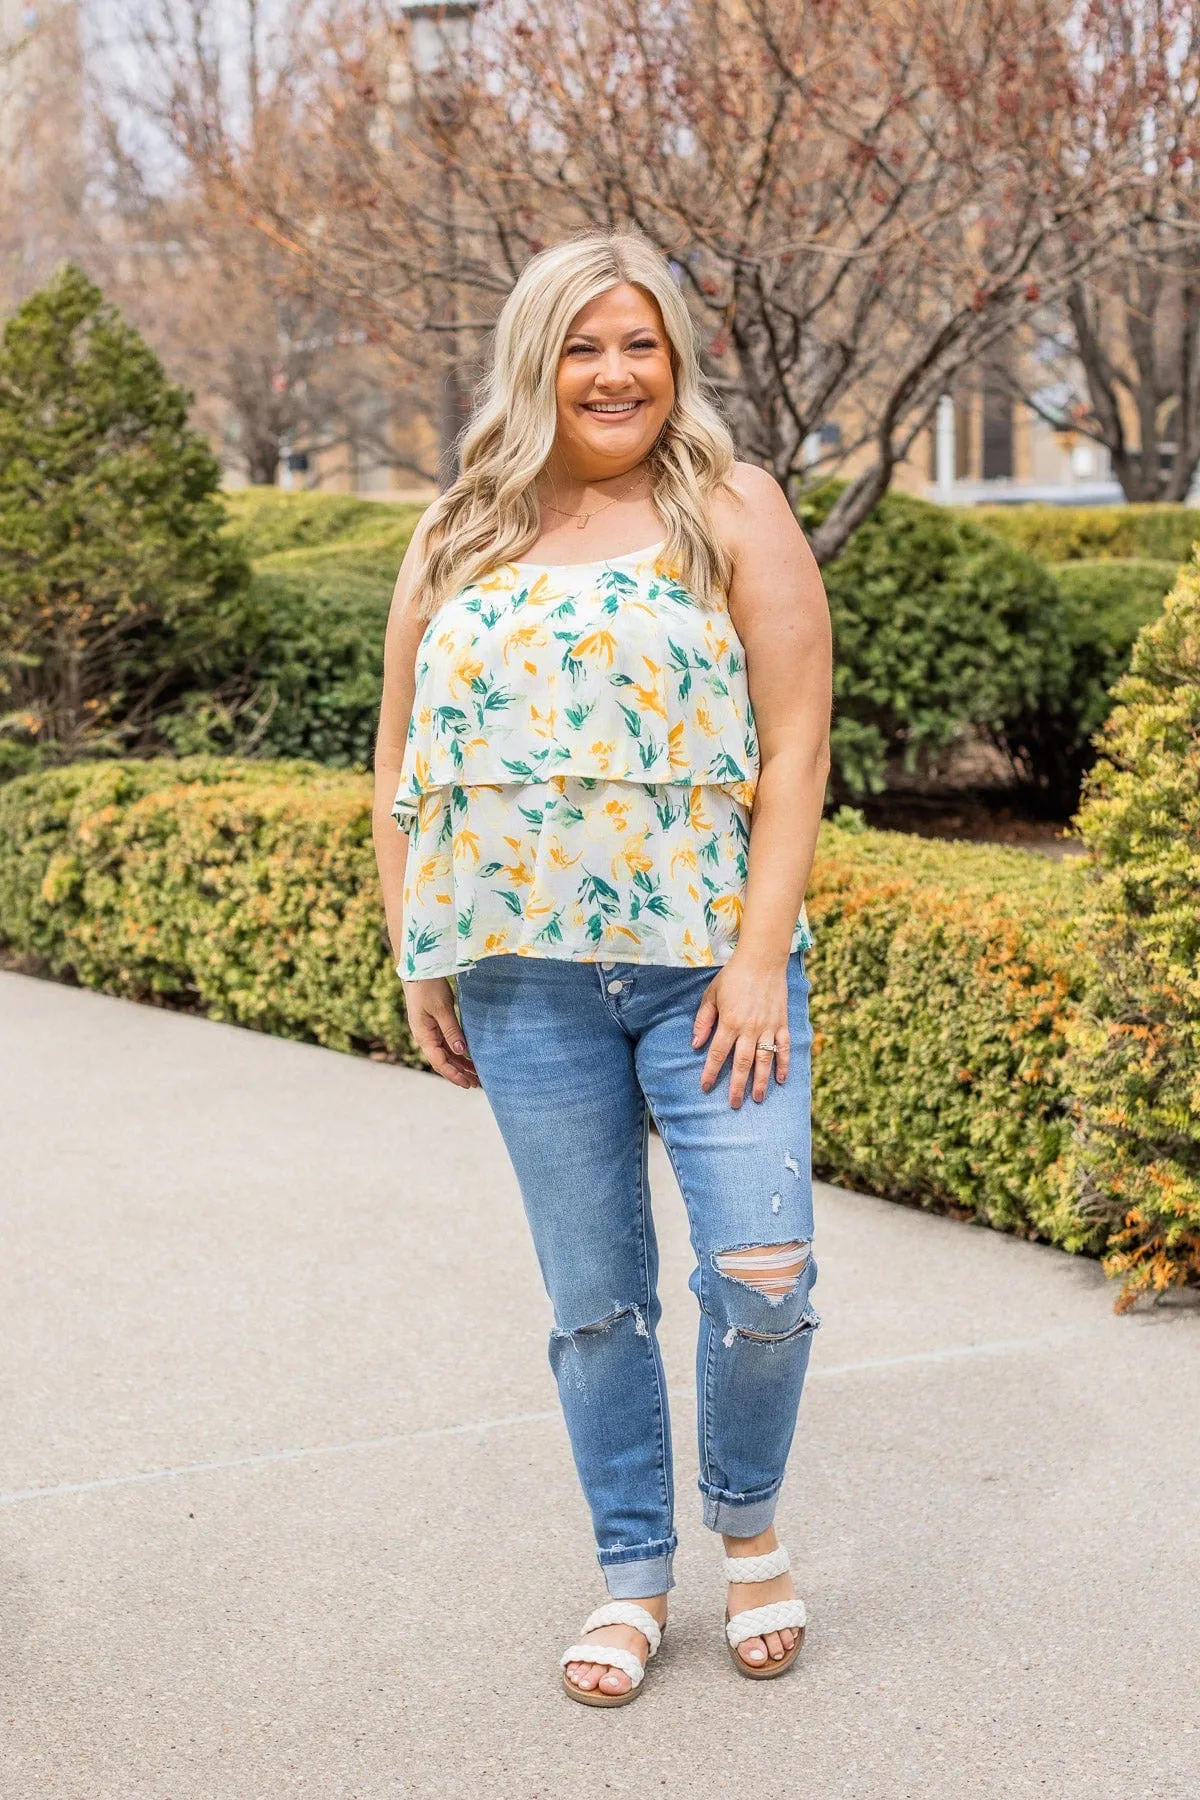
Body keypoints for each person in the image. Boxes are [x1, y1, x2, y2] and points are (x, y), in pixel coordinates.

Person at [372, 229, 833, 1707]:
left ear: (676, 359)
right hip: (522, 979)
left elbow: (795, 740)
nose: (614, 371)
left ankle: (748, 1533)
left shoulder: (730, 504)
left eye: (639, 343)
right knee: (592, 1302)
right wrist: (416, 953)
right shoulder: (459, 527)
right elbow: (399, 758)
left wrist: (759, 959)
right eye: (583, 345)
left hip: (709, 974)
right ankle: (633, 1573)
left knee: (763, 1272)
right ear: (536, 361)